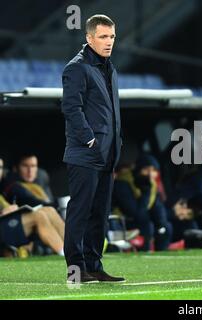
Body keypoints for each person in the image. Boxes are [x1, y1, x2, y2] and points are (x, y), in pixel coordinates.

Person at [61, 14, 124, 284]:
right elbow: (70, 108)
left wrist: (114, 143)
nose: (108, 42)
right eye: (102, 37)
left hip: (107, 154)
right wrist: (89, 140)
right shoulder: (76, 67)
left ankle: (94, 265)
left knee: (99, 212)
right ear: (89, 38)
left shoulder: (110, 69)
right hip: (85, 153)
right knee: (80, 212)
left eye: (111, 37)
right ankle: (75, 270)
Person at [0, 157, 65, 256]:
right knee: (38, 216)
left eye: (0, 167)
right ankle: (65, 254)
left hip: (7, 224)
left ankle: (76, 248)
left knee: (48, 210)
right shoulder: (13, 186)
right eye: (25, 166)